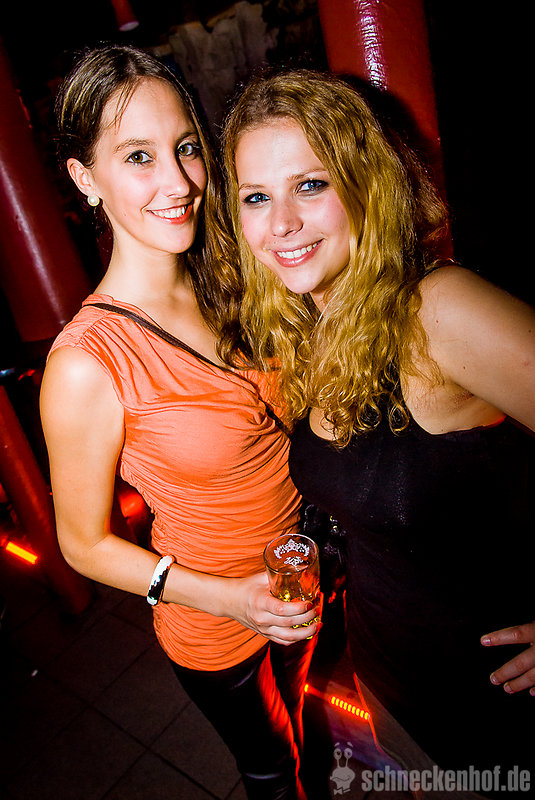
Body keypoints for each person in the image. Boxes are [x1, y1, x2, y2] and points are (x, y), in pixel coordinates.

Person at [222, 67, 535, 798]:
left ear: (367, 184)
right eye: (256, 197)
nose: (281, 224)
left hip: (492, 692)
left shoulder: (439, 311)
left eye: (310, 185)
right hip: (386, 674)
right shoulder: (308, 326)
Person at [39, 46, 321, 800]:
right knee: (275, 775)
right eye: (139, 156)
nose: (180, 181)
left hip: (299, 580)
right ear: (84, 179)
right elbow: (82, 545)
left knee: (303, 726)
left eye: (186, 148)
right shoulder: (88, 360)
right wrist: (233, 599)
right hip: (216, 623)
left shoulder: (234, 278)